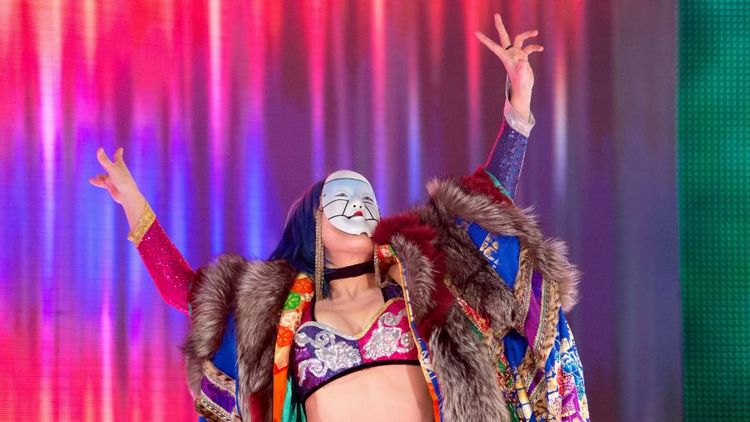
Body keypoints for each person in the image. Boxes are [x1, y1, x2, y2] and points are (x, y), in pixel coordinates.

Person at [91, 13, 588, 422]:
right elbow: (187, 290)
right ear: (315, 224)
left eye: (365, 197)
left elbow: (485, 201)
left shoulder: (418, 281)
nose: (356, 205)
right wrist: (132, 201)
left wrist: (519, 104)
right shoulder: (279, 312)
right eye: (341, 197)